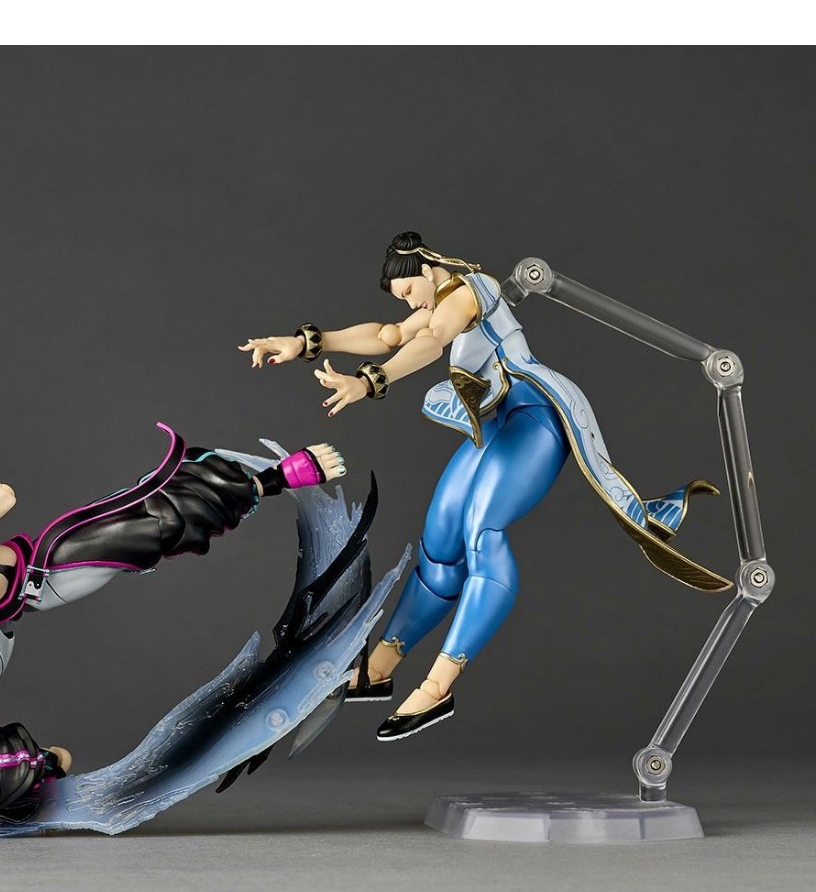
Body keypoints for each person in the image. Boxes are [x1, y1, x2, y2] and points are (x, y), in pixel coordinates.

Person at [240, 231, 727, 741]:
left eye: (408, 291)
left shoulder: (472, 289)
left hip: (535, 416)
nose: (409, 303)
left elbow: (431, 341)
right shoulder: (436, 302)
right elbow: (388, 335)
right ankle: (380, 666)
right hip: (493, 419)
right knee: (440, 539)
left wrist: (368, 382)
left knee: (481, 531)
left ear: (426, 270)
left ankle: (439, 684)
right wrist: (307, 342)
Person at [0, 423, 346, 818]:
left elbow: (1, 496)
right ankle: (38, 768)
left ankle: (271, 479)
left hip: (33, 577)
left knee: (145, 528)